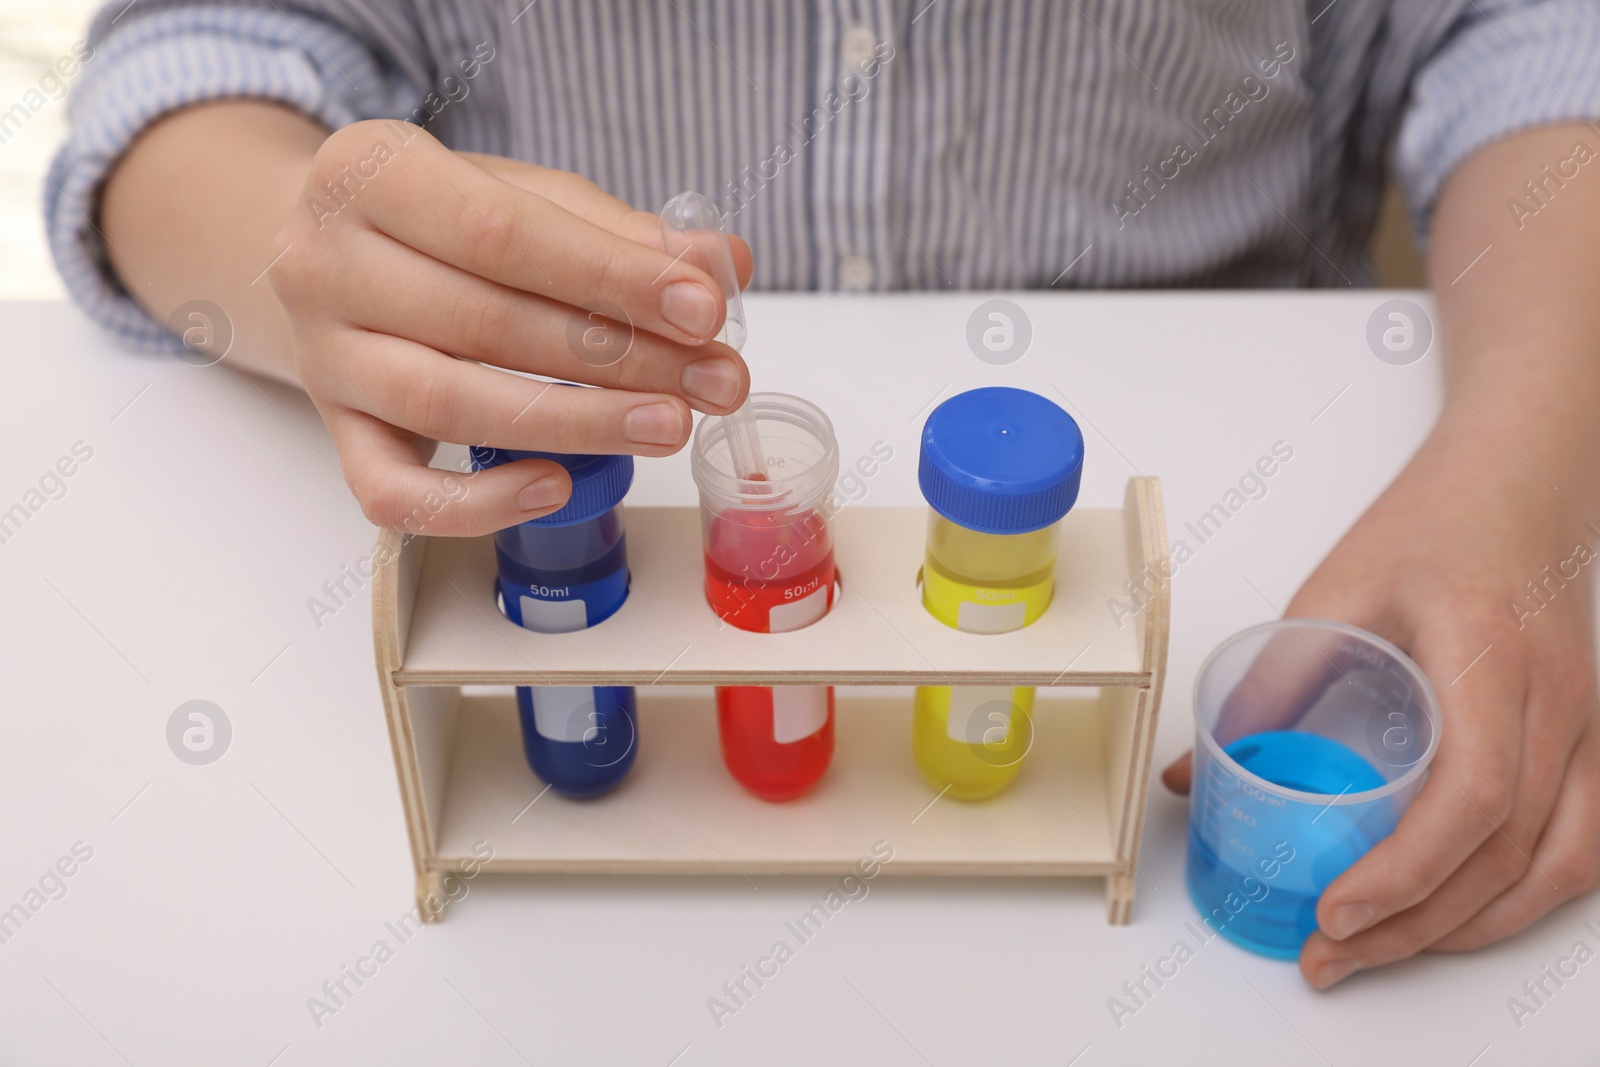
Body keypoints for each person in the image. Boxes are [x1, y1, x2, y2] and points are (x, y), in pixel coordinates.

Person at [47, 0, 1600, 989]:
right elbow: (192, 55)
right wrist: (300, 247)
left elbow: (1528, 32)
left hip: (1299, 438)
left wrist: (1516, 483)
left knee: (930, 693)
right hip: (543, 590)